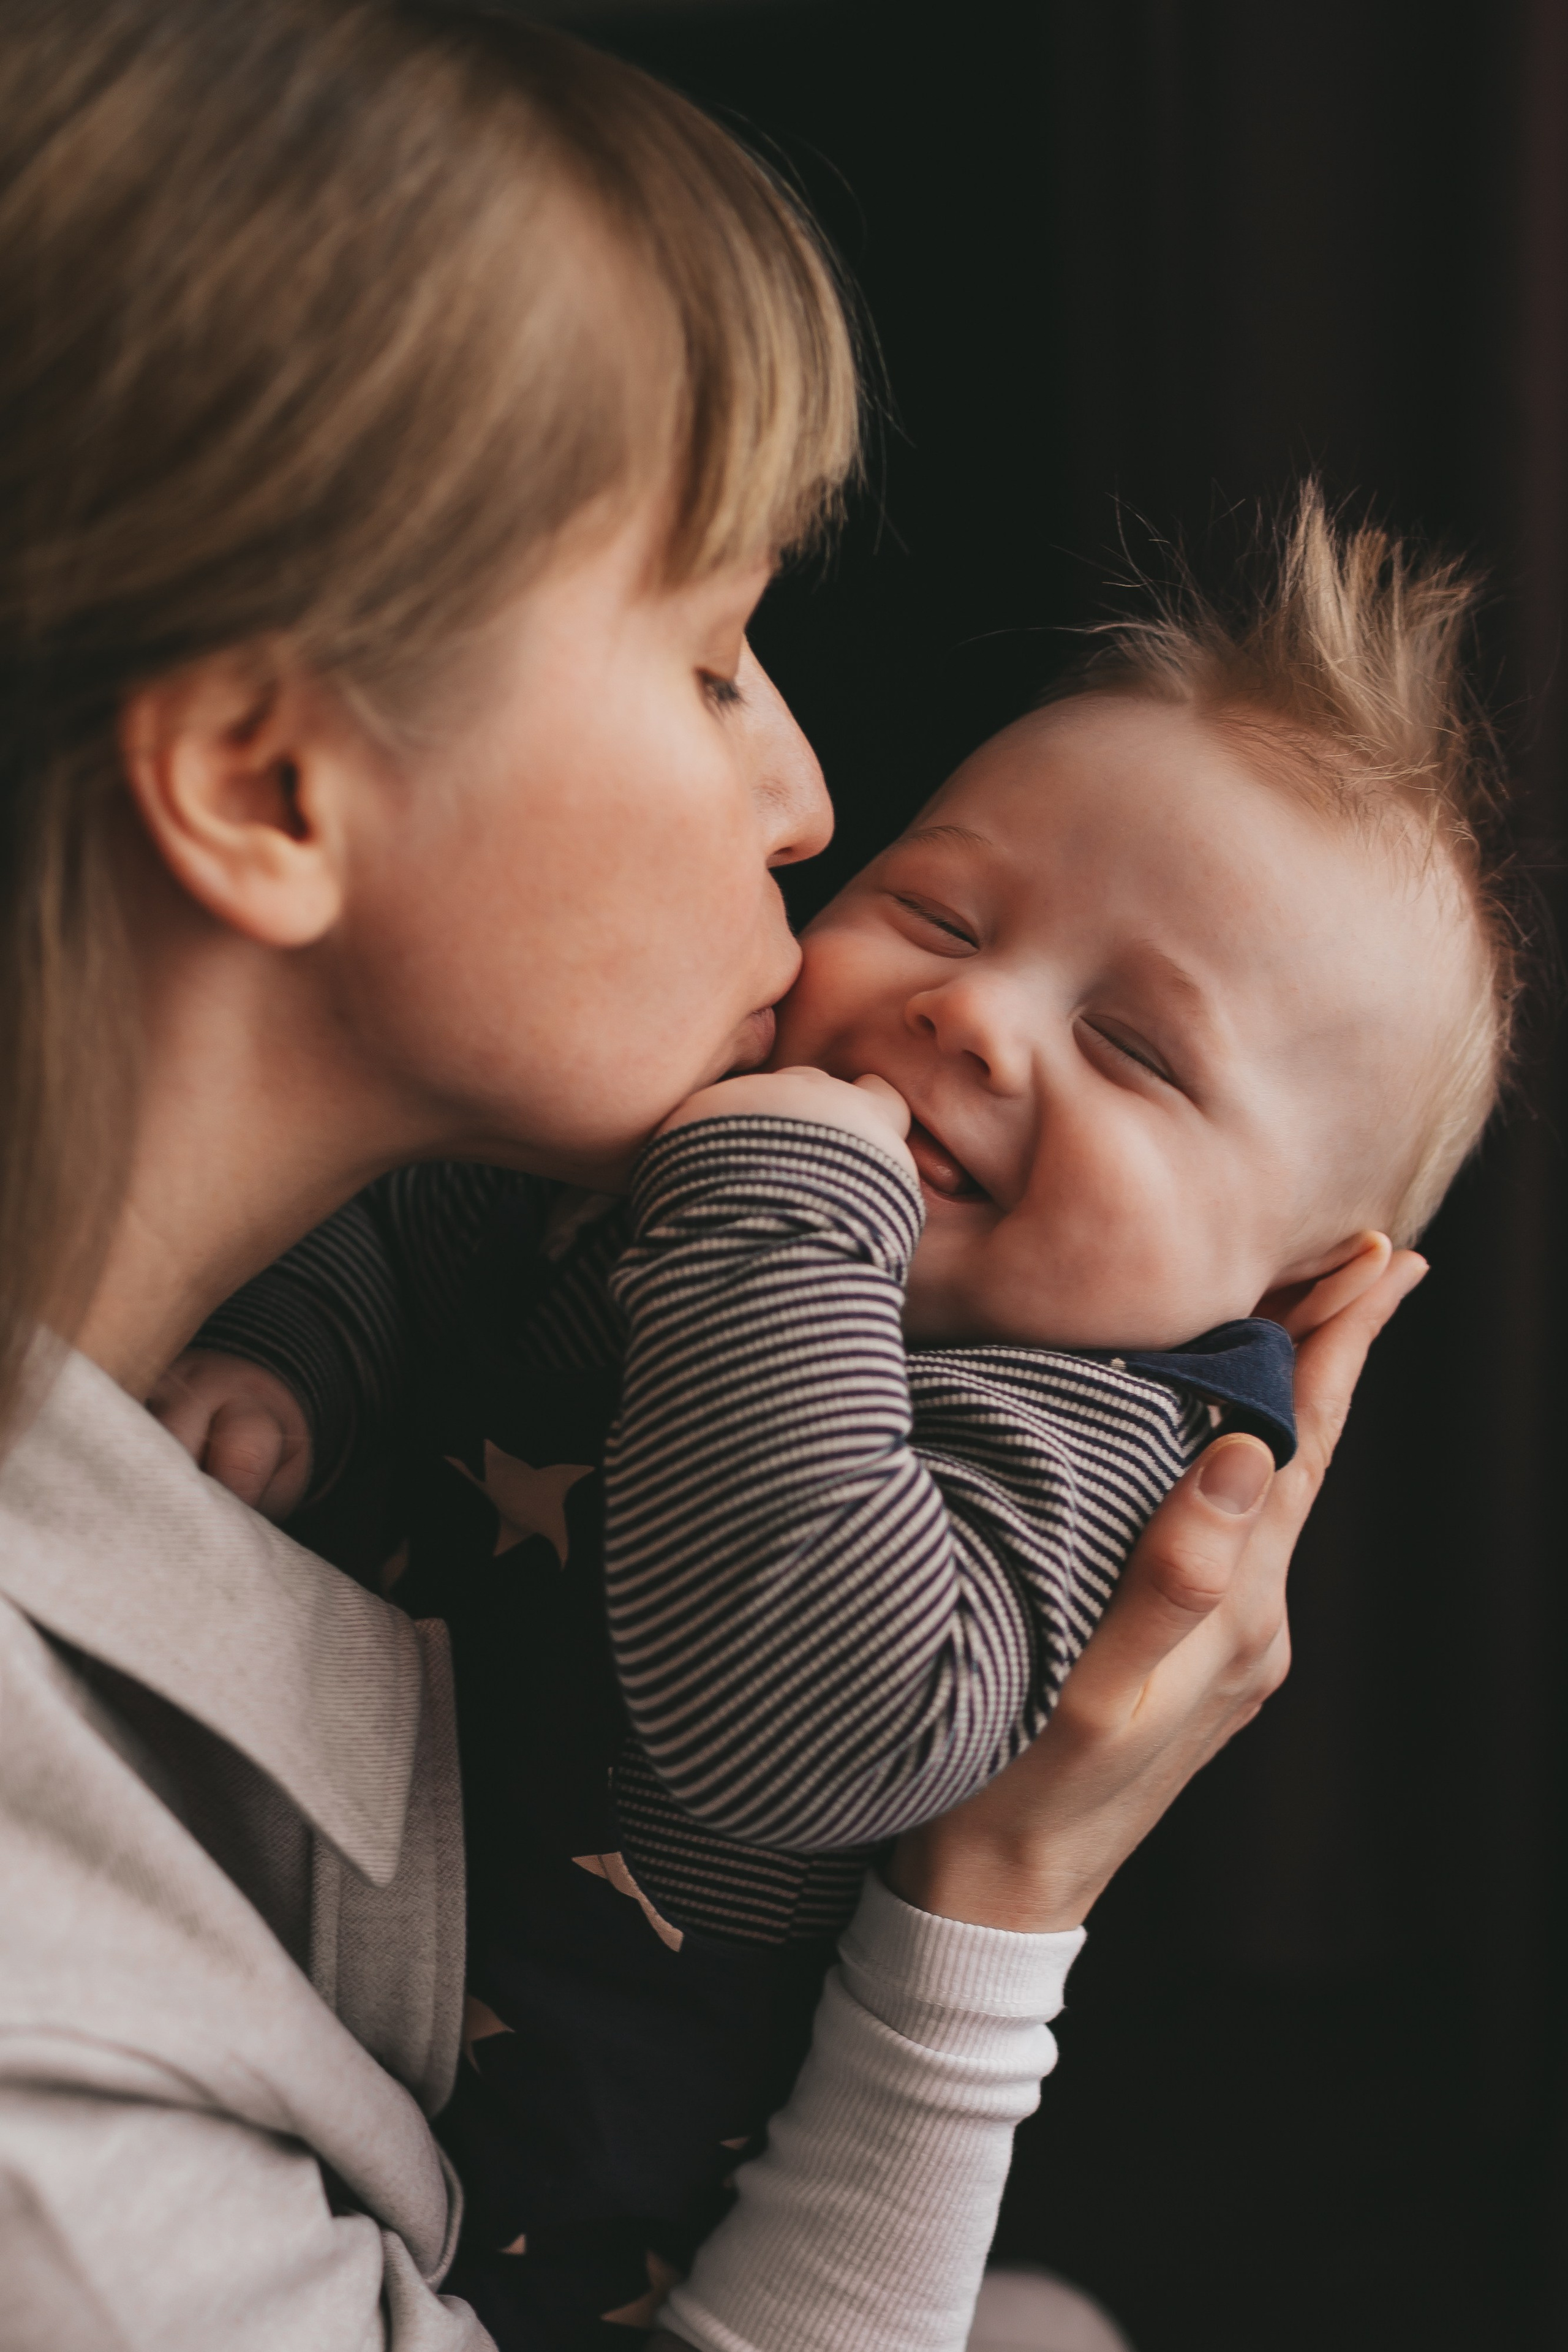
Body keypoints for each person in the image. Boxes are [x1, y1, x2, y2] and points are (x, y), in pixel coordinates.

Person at [0, 3, 1423, 2347]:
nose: (801, 797)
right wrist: (1003, 1908)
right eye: (710, 652)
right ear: (262, 786)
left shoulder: (1062, 1411)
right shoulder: (73, 2138)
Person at [158, 490, 1504, 2346]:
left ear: (1282, 1292)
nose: (967, 1015)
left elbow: (814, 1730)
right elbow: (422, 1210)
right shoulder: (716, 1140)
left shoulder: (1097, 1433)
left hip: (580, 2241)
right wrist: (294, 1357)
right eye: (939, 909)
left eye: (1134, 1049)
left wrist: (789, 1207)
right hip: (298, 2053)